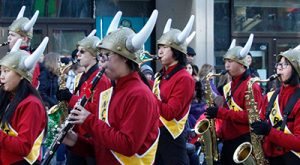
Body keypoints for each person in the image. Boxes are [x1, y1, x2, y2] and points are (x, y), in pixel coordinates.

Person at [62, 10, 160, 164]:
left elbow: (128, 146)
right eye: (100, 56)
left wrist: (89, 120)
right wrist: (76, 142)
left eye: (106, 56)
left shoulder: (140, 94)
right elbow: (106, 146)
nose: (101, 62)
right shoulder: (111, 91)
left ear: (125, 59)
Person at [205, 34, 263, 165]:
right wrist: (218, 132)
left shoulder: (252, 85)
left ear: (242, 64)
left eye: (230, 61)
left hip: (243, 141)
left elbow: (250, 117)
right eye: (225, 61)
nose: (226, 65)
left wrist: (219, 112)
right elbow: (229, 113)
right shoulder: (230, 85)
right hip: (229, 141)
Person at [56, 29, 111, 164]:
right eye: (78, 51)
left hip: (89, 136)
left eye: (82, 51)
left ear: (93, 55)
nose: (78, 55)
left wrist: (70, 98)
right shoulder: (81, 76)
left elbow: (97, 109)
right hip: (77, 133)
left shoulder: (101, 79)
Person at [153, 16, 195, 164]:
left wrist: (149, 97)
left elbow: (170, 113)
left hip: (172, 139)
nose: (160, 51)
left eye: (165, 47)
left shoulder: (184, 78)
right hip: (157, 135)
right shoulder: (163, 74)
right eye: (159, 47)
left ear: (176, 51)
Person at [0, 38, 48, 164]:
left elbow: (23, 147)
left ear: (21, 75)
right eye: (1, 71)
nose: (1, 76)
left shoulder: (32, 104)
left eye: (6, 71)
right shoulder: (9, 97)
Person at [251, 45, 300, 164]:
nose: (279, 68)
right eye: (278, 64)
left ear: (296, 68)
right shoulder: (270, 96)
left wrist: (269, 132)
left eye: (285, 64)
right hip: (269, 158)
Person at [7, 6, 40, 88]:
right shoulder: (13, 55)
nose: (8, 38)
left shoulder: (27, 59)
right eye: (9, 34)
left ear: (24, 39)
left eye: (12, 35)